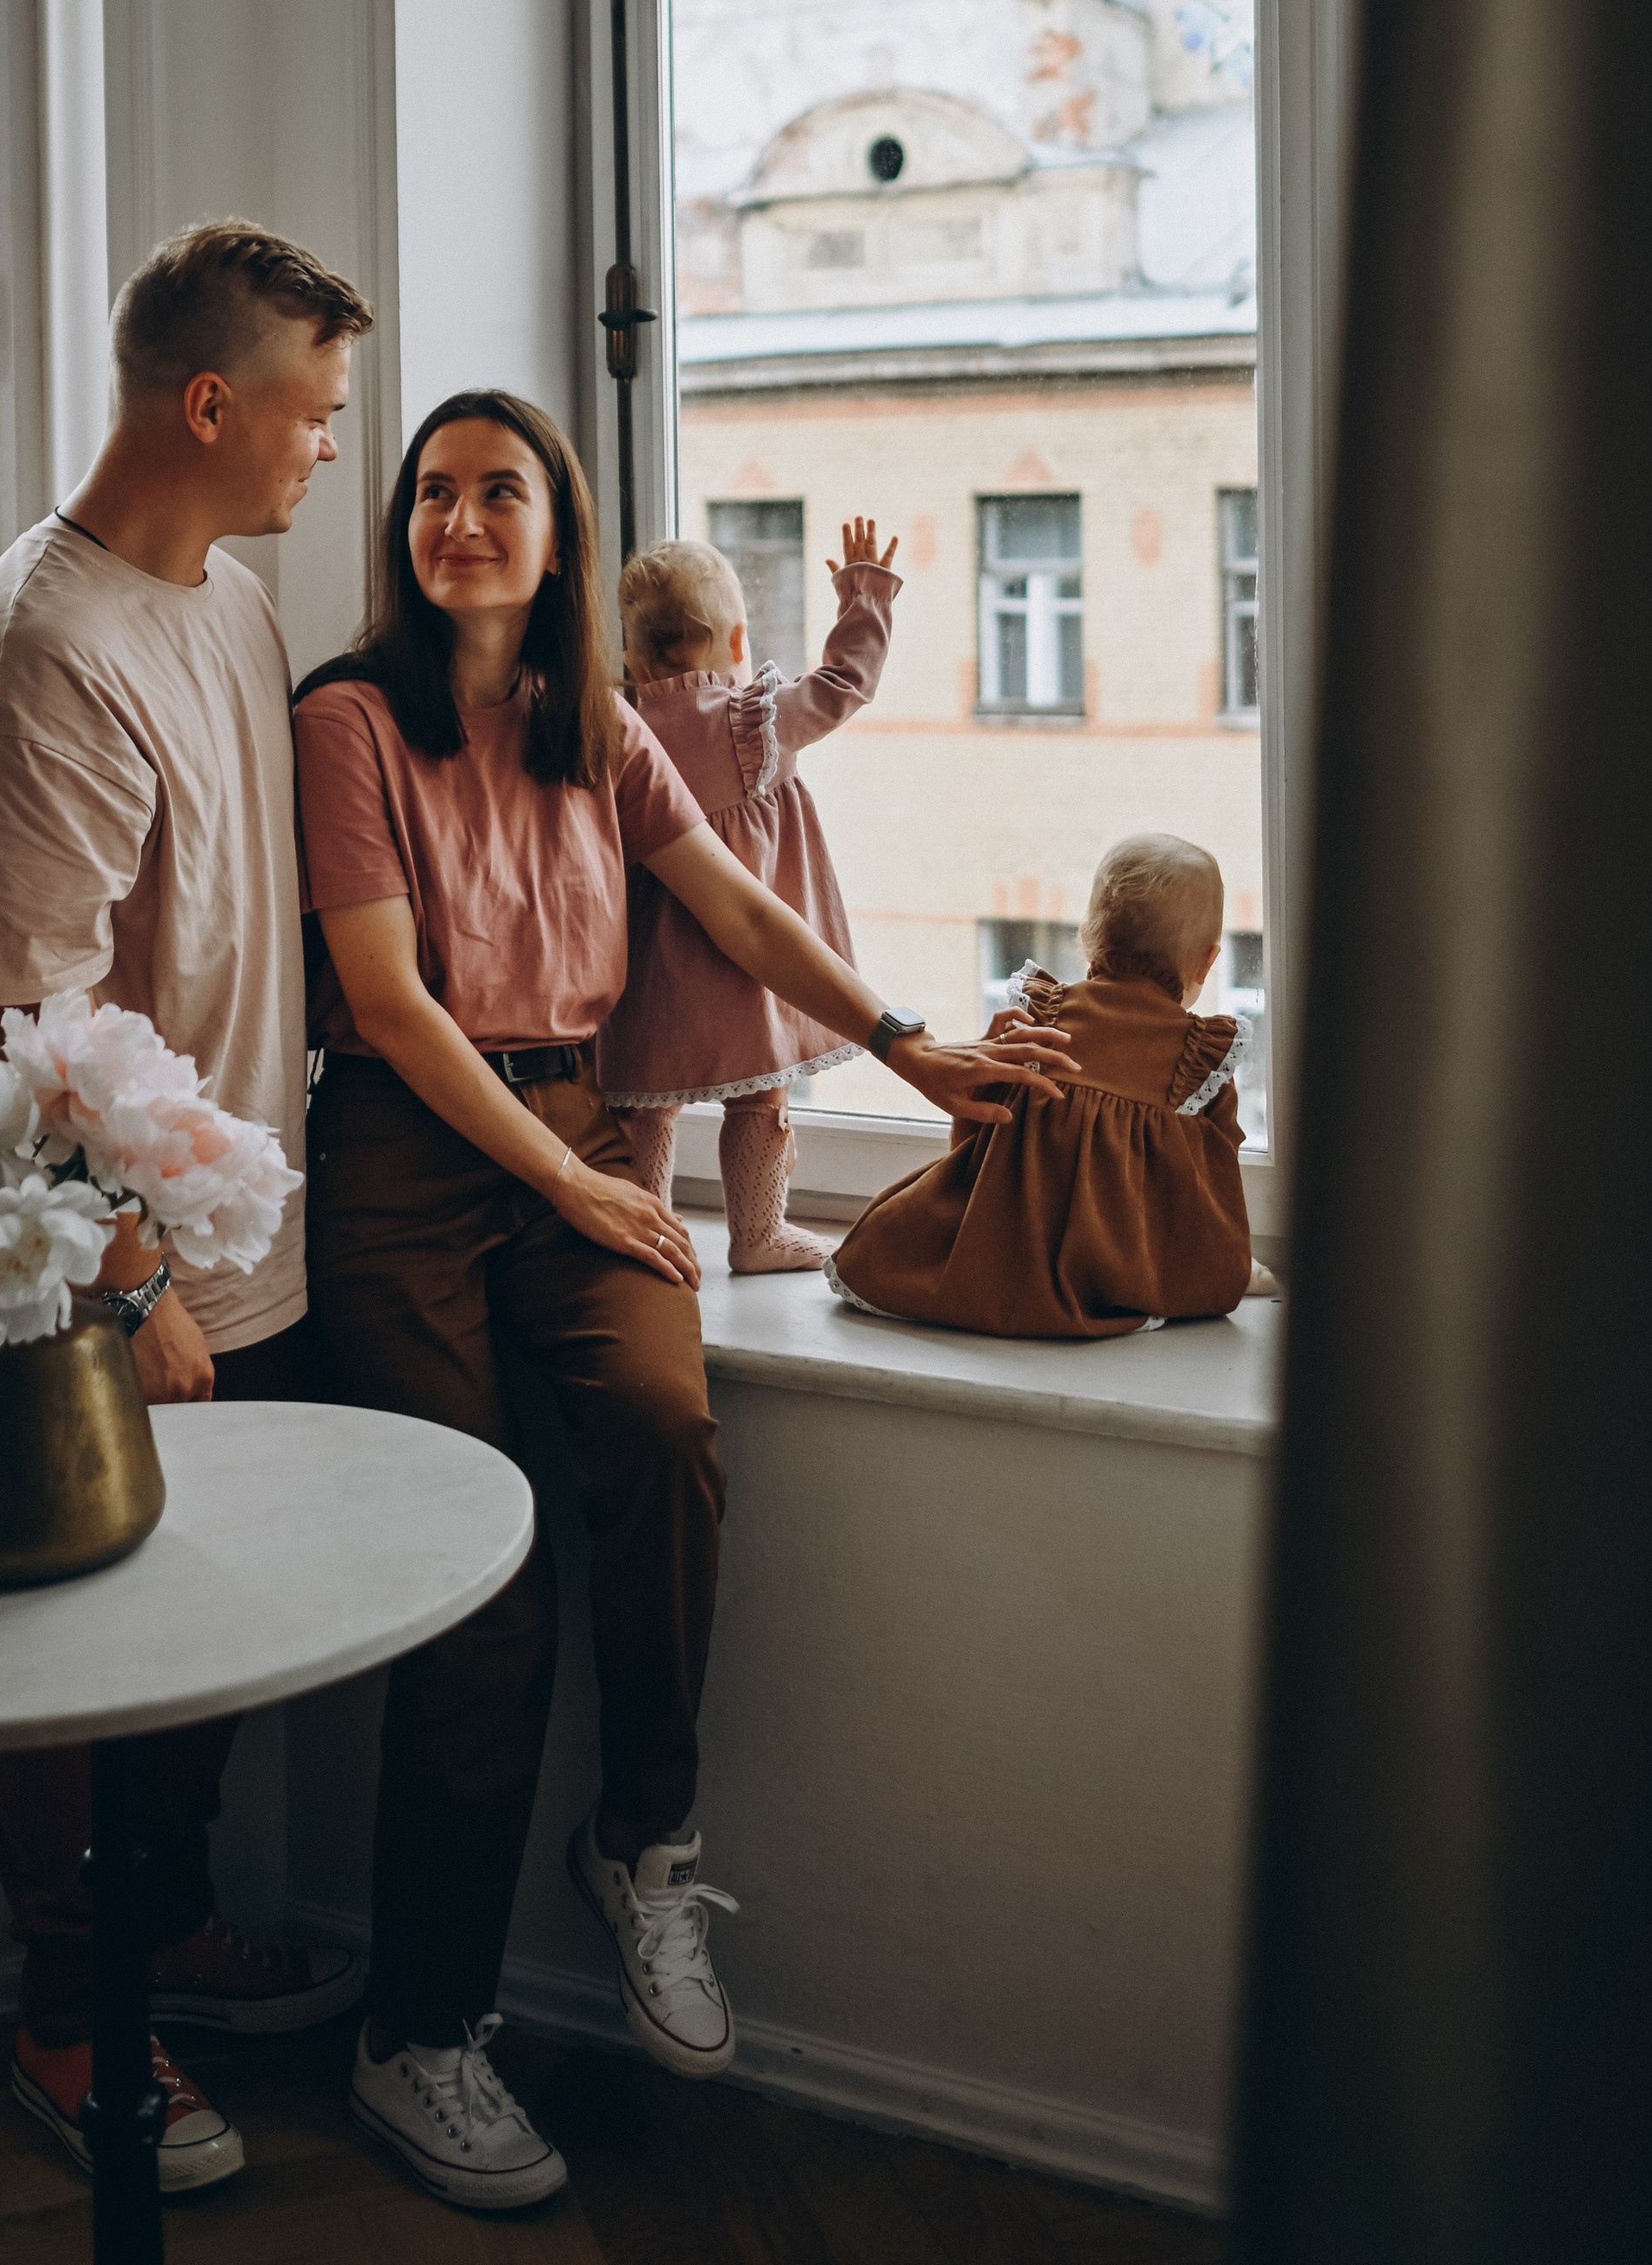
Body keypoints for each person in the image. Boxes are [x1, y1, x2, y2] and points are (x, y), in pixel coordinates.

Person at [292, 390, 1067, 2213]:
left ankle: (641, 1842)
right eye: (431, 490)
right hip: (409, 1166)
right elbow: (390, 1003)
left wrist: (905, 1050)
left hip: (570, 1124)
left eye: (502, 492)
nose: (461, 517)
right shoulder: (349, 720)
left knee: (663, 1427)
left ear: (560, 531)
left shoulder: (603, 729)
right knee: (473, 1589)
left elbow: (729, 901)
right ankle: (420, 2031)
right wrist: (567, 1178)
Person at [0, 219, 373, 2198]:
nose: (330, 449)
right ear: (209, 403)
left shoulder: (229, 604)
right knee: (84, 1664)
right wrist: (129, 1280)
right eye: (316, 414)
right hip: (102, 1287)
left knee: (198, 1657)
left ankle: (162, 1931)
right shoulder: (40, 657)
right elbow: (21, 1029)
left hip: (240, 1251)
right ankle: (74, 2017)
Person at [826, 830, 1282, 1338]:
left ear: (1087, 935)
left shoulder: (1038, 1017)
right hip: (1124, 1266)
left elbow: (976, 1126)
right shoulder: (1202, 1058)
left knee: (886, 1247)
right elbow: (1213, 1181)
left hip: (1005, 1249)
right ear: (1207, 961)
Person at [597, 518, 903, 1271]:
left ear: (631, 655)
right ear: (737, 645)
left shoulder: (613, 727)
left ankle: (649, 1230)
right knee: (759, 1097)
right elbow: (844, 685)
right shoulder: (750, 721)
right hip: (743, 961)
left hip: (644, 961)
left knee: (643, 1100)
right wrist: (863, 593)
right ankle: (758, 1235)